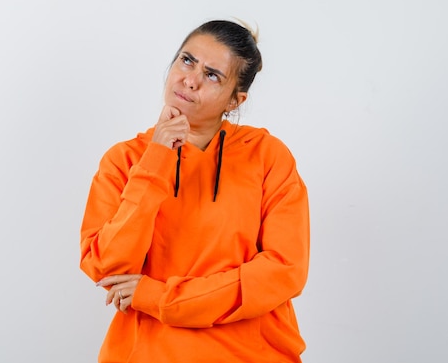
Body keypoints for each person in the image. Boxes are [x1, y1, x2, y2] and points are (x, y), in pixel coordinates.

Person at [79, 19, 310, 362]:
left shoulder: (267, 155)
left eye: (212, 74)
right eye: (187, 60)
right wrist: (156, 158)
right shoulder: (125, 160)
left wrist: (160, 298)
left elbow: (283, 271)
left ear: (235, 100)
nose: (190, 80)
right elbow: (107, 266)